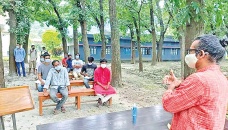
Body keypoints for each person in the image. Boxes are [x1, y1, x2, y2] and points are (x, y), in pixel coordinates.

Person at [162, 34, 228, 129]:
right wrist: (179, 84)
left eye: (190, 51)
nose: (188, 55)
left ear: (201, 54)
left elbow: (168, 104)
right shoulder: (221, 78)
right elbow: (198, 98)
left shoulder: (199, 79)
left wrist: (171, 87)